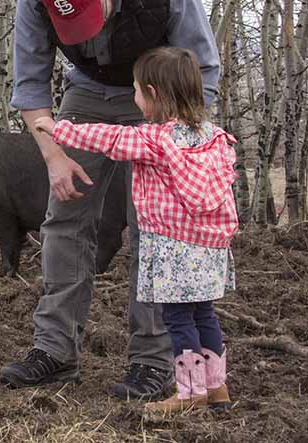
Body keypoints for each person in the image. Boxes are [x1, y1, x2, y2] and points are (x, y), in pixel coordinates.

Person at [1, 0, 221, 402]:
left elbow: (202, 73)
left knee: (155, 227)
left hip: (158, 99)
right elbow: (31, 83)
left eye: (87, 18)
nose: (79, 35)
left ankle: (154, 360)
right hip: (85, 93)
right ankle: (55, 351)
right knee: (64, 217)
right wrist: (54, 157)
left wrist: (179, 147)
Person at [33, 46, 237, 416]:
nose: (133, 98)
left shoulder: (153, 140)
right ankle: (216, 387)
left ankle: (189, 394)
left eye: (137, 91)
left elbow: (107, 138)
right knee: (204, 315)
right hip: (209, 248)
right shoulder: (214, 136)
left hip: (174, 253)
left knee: (178, 320)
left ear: (154, 95)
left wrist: (58, 129)